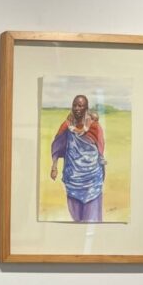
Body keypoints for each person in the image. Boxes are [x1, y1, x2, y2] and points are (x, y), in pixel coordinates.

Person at [49, 94, 106, 222]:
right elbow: (57, 145)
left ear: (86, 108)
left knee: (92, 221)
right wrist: (54, 167)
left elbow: (101, 151)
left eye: (80, 105)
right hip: (73, 181)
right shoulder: (66, 125)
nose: (76, 108)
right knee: (76, 219)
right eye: (74, 105)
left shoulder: (95, 127)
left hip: (92, 181)